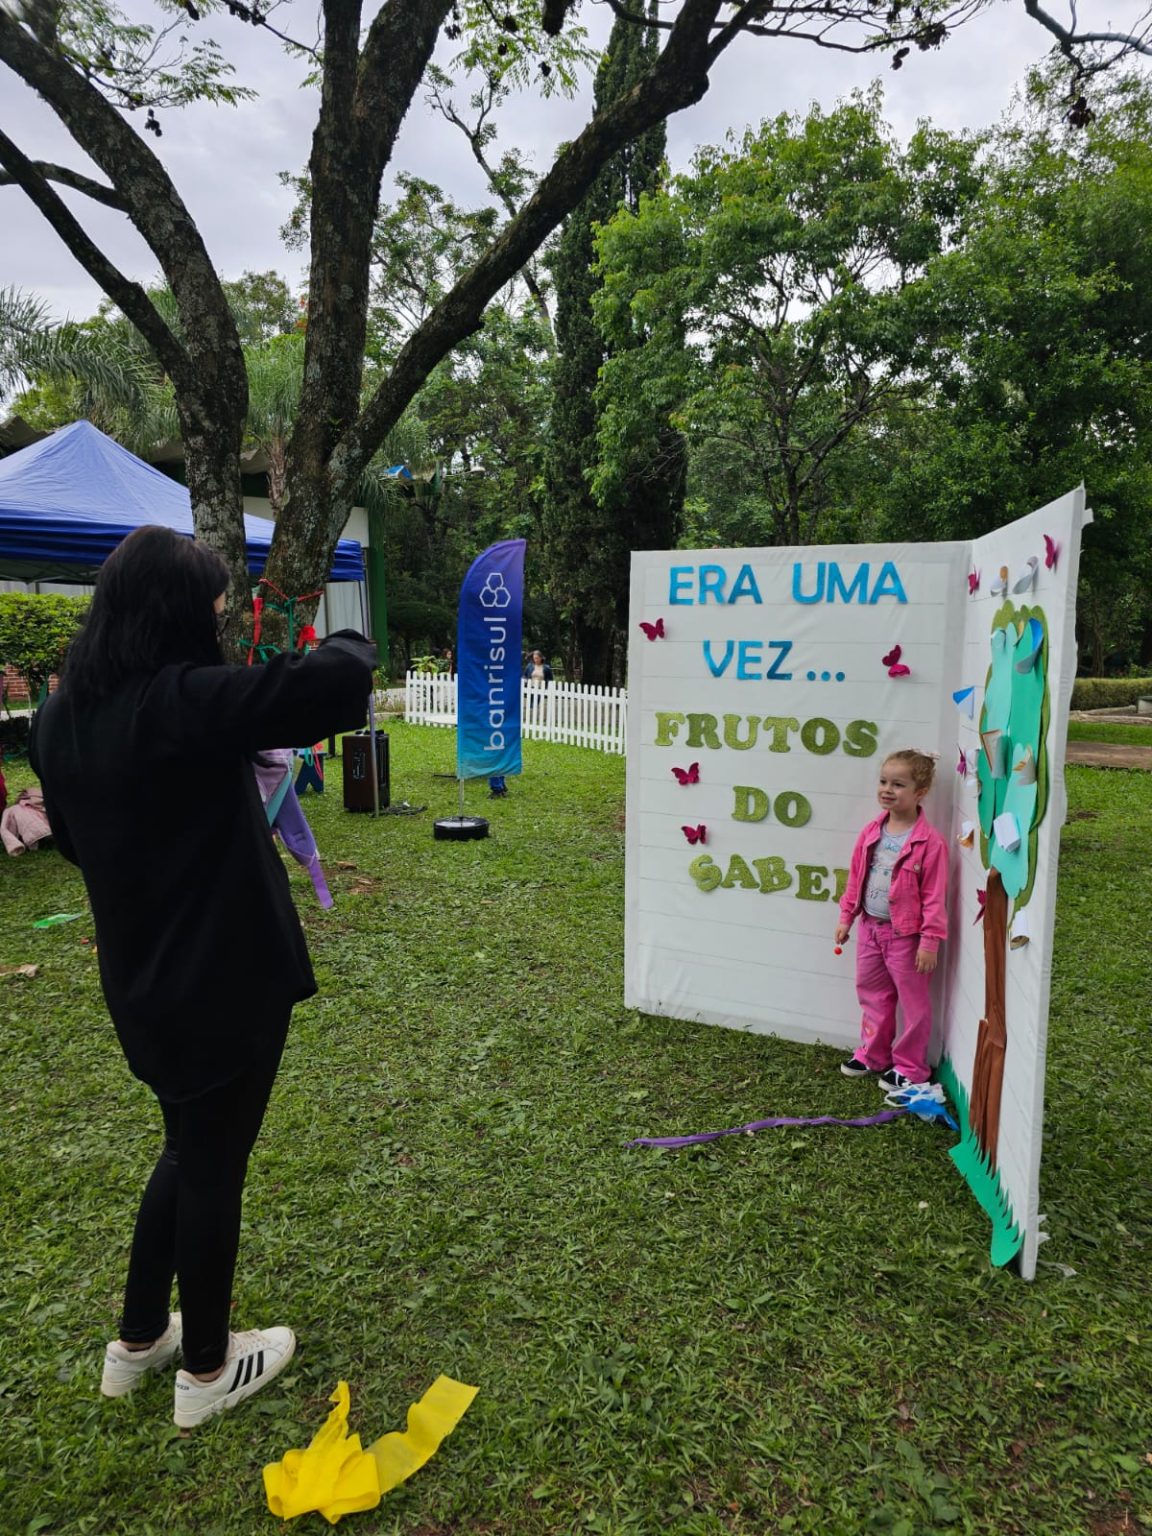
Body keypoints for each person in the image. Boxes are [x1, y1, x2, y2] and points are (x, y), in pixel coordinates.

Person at [29, 526, 376, 1429]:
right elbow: (334, 684)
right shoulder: (178, 703)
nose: (220, 625)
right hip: (224, 978)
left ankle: (139, 1340)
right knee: (214, 1164)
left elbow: (74, 844)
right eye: (215, 612)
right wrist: (350, 636)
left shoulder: (59, 720)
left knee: (187, 1149)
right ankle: (209, 1370)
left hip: (143, 983)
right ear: (176, 616)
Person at [834, 748, 947, 1092]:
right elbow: (856, 878)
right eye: (883, 782)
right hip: (870, 929)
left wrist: (929, 942)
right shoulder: (871, 832)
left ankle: (911, 1067)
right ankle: (873, 1054)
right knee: (872, 994)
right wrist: (847, 917)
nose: (887, 789)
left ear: (920, 792)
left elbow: (934, 897)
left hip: (906, 938)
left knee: (914, 1004)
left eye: (898, 784)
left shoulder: (930, 843)